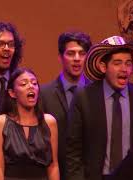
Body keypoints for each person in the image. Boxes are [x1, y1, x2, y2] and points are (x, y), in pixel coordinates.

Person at [66, 36, 133, 180]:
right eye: (117, 63)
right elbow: (73, 152)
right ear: (103, 66)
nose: (124, 69)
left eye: (128, 63)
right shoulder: (84, 97)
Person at [0, 68, 59, 180]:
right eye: (24, 84)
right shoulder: (0, 123)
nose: (31, 86)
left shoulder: (49, 122)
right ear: (12, 93)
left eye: (34, 83)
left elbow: (53, 166)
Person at [41, 31, 92, 180]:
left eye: (82, 54)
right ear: (60, 57)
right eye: (71, 53)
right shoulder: (44, 94)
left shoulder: (97, 94)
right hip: (55, 173)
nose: (77, 59)